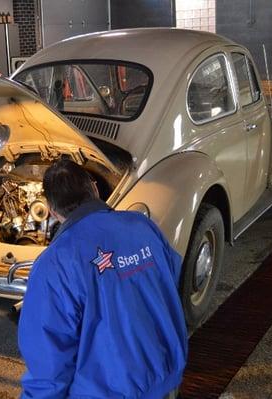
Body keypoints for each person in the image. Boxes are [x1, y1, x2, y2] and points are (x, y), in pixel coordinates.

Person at [18, 159, 188, 398]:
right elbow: (170, 275)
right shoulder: (142, 225)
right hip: (165, 379)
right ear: (95, 189)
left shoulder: (55, 263)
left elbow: (48, 359)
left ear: (52, 210)